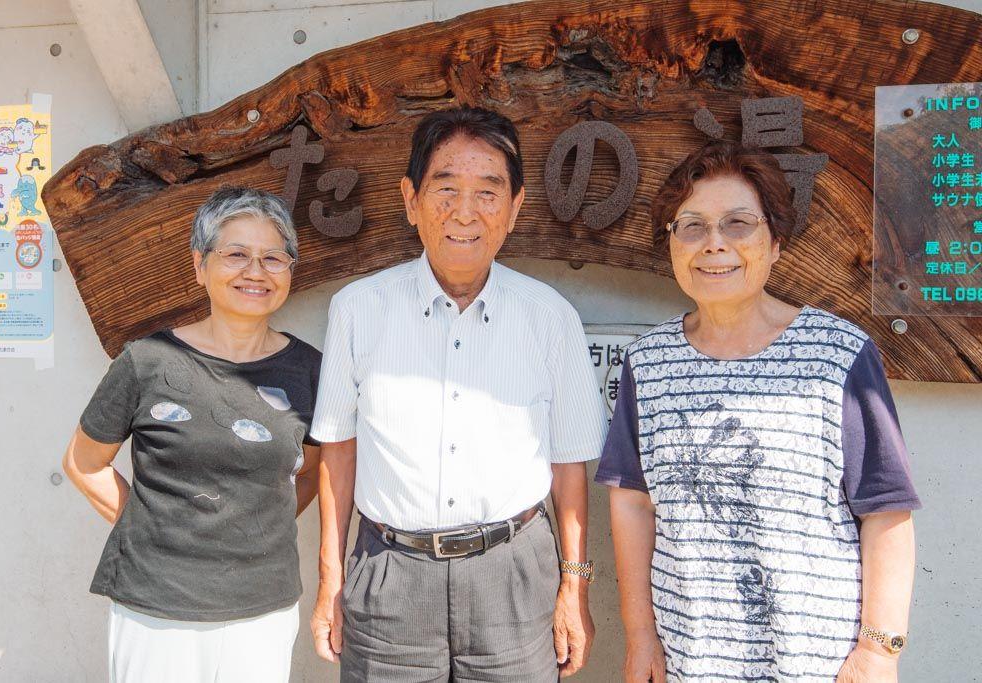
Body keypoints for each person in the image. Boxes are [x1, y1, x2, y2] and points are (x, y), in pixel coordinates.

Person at [595, 141, 921, 682]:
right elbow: (632, 503)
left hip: (818, 665)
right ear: (672, 245)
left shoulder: (837, 353)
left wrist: (880, 653)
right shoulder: (648, 361)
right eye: (692, 226)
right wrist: (640, 636)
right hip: (690, 661)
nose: (713, 244)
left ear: (775, 243)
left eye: (738, 223)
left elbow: (886, 510)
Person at [308, 107, 607, 681]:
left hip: (516, 578)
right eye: (445, 188)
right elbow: (338, 450)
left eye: (488, 192)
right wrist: (330, 581)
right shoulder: (358, 309)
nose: (465, 212)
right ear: (410, 200)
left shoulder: (550, 318)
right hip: (389, 575)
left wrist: (574, 587)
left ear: (516, 208)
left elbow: (570, 468)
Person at [62, 186, 322, 683]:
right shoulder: (147, 361)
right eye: (236, 254)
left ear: (290, 270)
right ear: (200, 266)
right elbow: (83, 463)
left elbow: (313, 471)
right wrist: (153, 526)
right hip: (155, 604)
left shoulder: (309, 370)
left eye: (273, 257)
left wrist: (251, 529)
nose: (255, 271)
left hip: (261, 607)